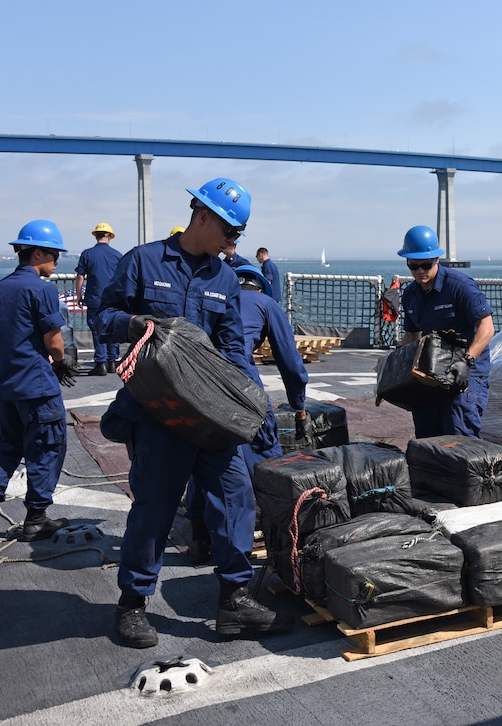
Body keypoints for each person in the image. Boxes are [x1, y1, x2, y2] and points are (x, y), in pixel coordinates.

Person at [97, 177, 292, 649]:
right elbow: (102, 318)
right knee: (155, 506)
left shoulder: (226, 279)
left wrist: (251, 402)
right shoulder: (142, 261)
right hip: (159, 415)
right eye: (230, 231)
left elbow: (232, 349)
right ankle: (133, 603)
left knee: (235, 497)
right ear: (201, 216)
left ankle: (234, 600)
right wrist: (134, 323)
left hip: (211, 417)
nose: (234, 242)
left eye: (239, 235)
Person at [0, 220, 77, 548]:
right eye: (54, 254)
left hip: (4, 386)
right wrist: (61, 361)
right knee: (47, 447)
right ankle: (36, 518)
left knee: (7, 448)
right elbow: (54, 342)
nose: (56, 261)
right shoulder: (42, 289)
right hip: (37, 386)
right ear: (37, 252)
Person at [186, 263, 309, 564]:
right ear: (261, 287)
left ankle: (200, 541)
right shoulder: (266, 304)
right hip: (241, 384)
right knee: (267, 457)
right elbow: (290, 362)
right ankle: (277, 536)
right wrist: (299, 404)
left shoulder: (214, 297)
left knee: (206, 458)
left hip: (201, 383)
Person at [398, 225, 495, 439]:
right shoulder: (411, 294)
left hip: (465, 369)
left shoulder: (460, 286)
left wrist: (467, 360)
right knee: (426, 430)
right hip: (432, 370)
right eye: (413, 266)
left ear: (437, 260)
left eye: (425, 265)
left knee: (458, 427)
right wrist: (393, 363)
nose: (420, 271)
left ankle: (464, 473)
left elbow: (486, 327)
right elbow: (412, 335)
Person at [74, 222, 123, 376]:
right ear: (110, 237)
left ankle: (100, 362)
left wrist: (79, 295)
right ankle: (112, 362)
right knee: (112, 328)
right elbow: (122, 277)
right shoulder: (117, 255)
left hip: (94, 298)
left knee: (97, 329)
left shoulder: (87, 254)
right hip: (113, 299)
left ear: (96, 235)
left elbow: (80, 276)